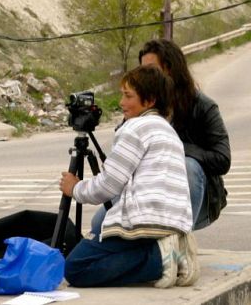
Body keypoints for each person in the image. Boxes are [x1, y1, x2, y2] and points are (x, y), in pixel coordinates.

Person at [60, 65, 199, 288]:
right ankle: (169, 253)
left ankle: (160, 260)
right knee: (102, 248)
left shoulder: (134, 128)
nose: (121, 102)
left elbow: (108, 185)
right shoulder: (167, 130)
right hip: (175, 223)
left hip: (146, 220)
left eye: (128, 96)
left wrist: (74, 189)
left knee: (77, 267)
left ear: (150, 99)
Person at [90, 39, 231, 235]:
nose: (146, 76)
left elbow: (222, 160)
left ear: (171, 70)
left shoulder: (203, 106)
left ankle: (178, 241)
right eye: (142, 70)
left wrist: (175, 148)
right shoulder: (141, 104)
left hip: (192, 197)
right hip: (145, 193)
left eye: (152, 69)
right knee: (99, 227)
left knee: (188, 165)